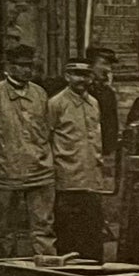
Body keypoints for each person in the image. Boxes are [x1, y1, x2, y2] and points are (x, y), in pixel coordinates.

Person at [0, 42, 56, 257]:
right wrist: (0, 156)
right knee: (6, 229)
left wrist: (41, 154)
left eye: (30, 65)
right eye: (22, 65)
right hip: (6, 173)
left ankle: (46, 267)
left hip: (40, 171)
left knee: (43, 227)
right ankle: (7, 269)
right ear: (9, 67)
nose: (27, 70)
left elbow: (48, 129)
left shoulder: (40, 94)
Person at [50, 58, 111, 260]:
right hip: (67, 179)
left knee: (92, 230)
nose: (81, 80)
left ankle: (93, 268)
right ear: (67, 76)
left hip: (91, 178)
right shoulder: (56, 104)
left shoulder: (93, 103)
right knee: (68, 230)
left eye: (86, 75)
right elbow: (45, 138)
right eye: (76, 75)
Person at [85, 47, 121, 161]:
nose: (108, 69)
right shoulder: (81, 89)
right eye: (104, 64)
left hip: (102, 152)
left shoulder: (107, 92)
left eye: (110, 65)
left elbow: (111, 125)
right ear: (90, 65)